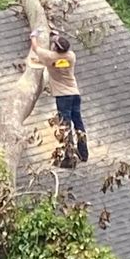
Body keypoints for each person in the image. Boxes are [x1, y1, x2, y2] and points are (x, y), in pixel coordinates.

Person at [41, 26, 87, 160]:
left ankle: (69, 155)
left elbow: (37, 49)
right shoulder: (71, 56)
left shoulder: (50, 58)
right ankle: (83, 153)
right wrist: (56, 36)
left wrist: (33, 37)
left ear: (55, 48)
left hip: (62, 97)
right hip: (74, 94)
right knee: (78, 122)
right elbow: (60, 47)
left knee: (65, 125)